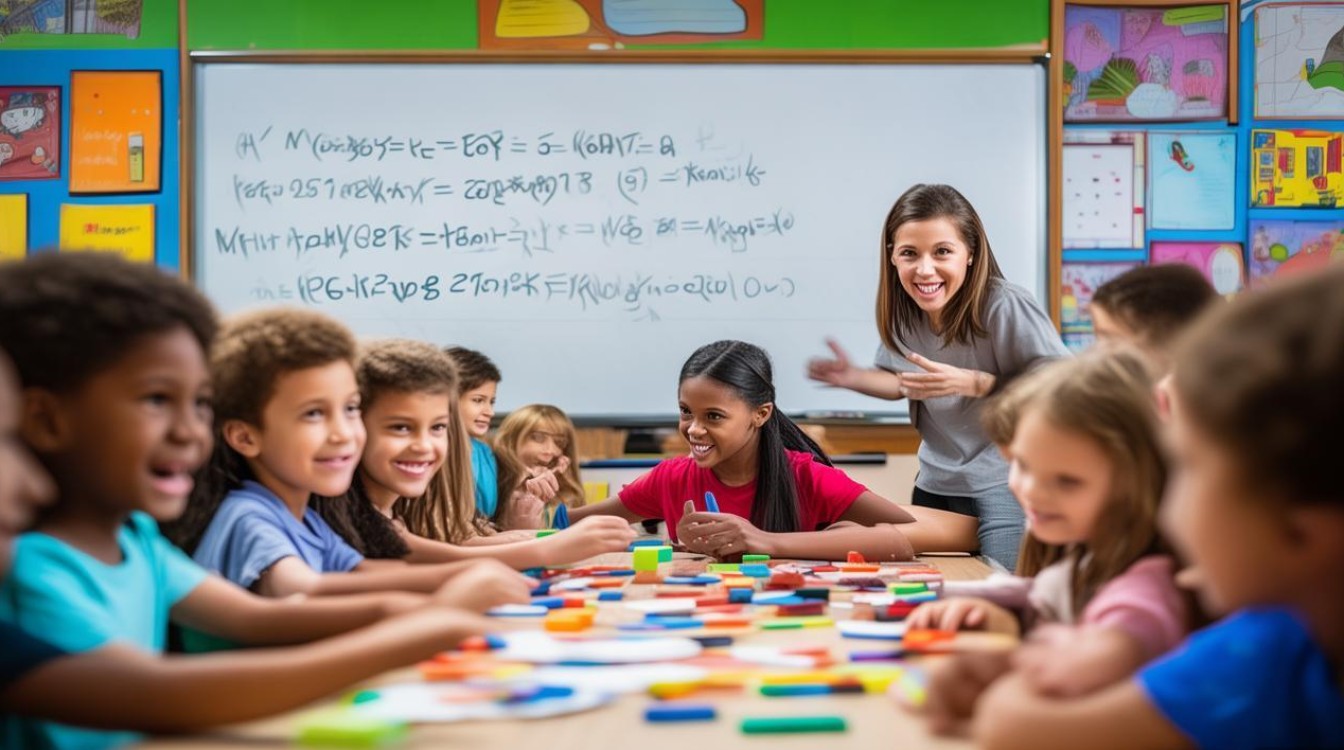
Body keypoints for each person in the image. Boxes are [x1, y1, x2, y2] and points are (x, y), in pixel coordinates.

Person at [809, 183, 1069, 569]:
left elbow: (1063, 385)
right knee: (932, 585)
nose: (924, 269)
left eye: (942, 251)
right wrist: (854, 377)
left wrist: (979, 383)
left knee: (1003, 586)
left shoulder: (1003, 304)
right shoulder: (907, 313)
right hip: (935, 481)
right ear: (892, 257)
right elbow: (903, 383)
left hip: (1003, 483)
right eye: (910, 254)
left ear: (970, 254)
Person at [572, 340, 979, 560]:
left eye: (713, 416)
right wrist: (528, 514)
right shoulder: (671, 478)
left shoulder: (806, 476)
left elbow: (961, 533)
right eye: (685, 412)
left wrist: (765, 541)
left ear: (760, 414)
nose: (694, 429)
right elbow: (570, 525)